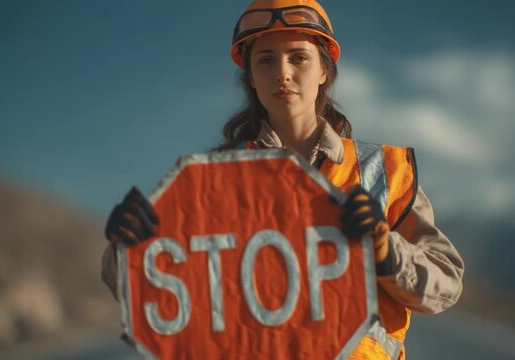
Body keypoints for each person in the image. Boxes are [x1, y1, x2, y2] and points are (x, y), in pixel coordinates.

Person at [101, 0, 464, 359]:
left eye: (299, 57)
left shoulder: (383, 170)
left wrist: (387, 252)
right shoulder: (213, 177)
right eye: (266, 60)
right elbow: (159, 288)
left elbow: (446, 283)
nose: (283, 73)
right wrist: (129, 247)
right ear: (251, 79)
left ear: (324, 70)